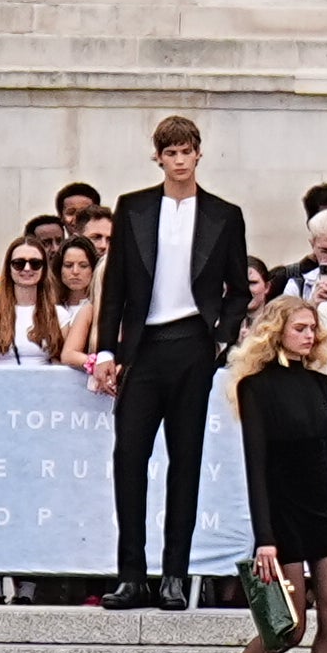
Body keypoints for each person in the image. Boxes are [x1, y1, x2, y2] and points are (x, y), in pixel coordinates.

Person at [88, 115, 249, 612]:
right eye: (170, 153)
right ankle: (131, 575)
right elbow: (114, 287)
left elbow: (239, 290)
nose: (179, 161)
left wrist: (220, 340)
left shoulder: (225, 213)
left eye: (186, 152)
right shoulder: (133, 207)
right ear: (158, 157)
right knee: (129, 460)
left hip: (192, 345)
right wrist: (109, 350)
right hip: (142, 347)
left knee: (186, 462)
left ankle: (175, 575)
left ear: (199, 153)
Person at [187, 295, 327, 653]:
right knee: (288, 626)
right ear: (277, 330)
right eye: (300, 326)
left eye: (312, 328)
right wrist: (265, 536)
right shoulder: (254, 387)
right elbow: (255, 467)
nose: (309, 335)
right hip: (281, 516)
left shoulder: (326, 387)